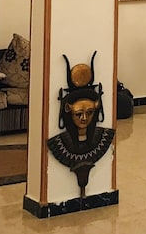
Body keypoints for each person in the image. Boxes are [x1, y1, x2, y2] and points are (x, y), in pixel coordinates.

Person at [46, 53, 115, 198]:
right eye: (78, 114)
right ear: (69, 111)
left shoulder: (103, 137)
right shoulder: (59, 144)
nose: (84, 118)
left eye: (89, 113)